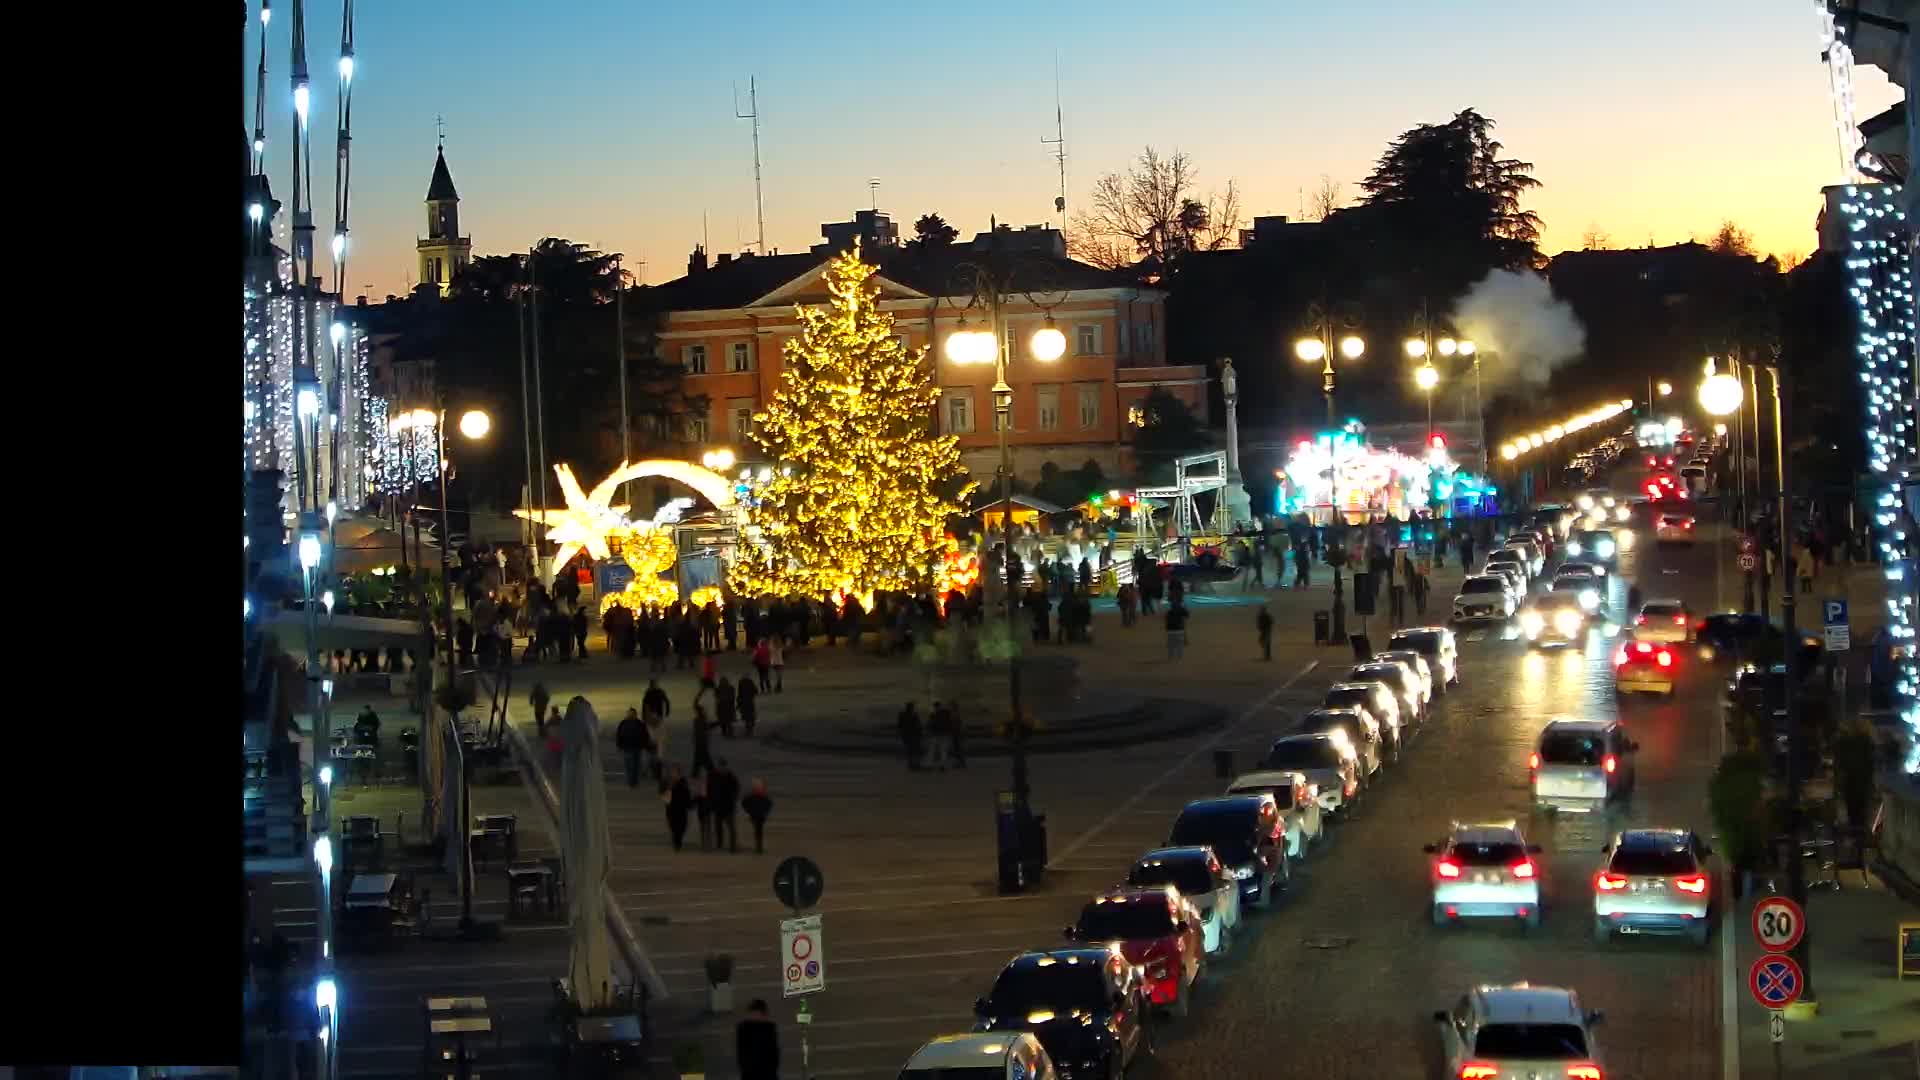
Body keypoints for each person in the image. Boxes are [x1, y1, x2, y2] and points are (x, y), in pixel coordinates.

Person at [736, 999, 781, 1080]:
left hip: (756, 1072)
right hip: (763, 1072)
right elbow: (774, 1053)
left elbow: (774, 1053)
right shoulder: (768, 1028)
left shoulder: (744, 1028)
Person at [708, 759, 741, 852]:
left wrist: (733, 798)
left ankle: (733, 847)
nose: (721, 768)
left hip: (728, 806)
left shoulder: (730, 776)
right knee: (718, 826)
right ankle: (719, 844)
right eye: (720, 766)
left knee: (731, 827)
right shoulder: (713, 776)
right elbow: (709, 790)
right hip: (717, 806)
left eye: (723, 766)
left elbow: (736, 788)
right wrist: (710, 803)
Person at [616, 707, 649, 788]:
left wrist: (644, 745)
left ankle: (633, 782)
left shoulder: (639, 724)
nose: (631, 715)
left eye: (632, 713)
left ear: (635, 714)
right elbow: (619, 735)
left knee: (635, 766)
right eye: (630, 713)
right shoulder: (624, 723)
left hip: (636, 748)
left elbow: (645, 736)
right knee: (630, 766)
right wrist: (619, 745)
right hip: (628, 748)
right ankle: (632, 783)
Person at [663, 767, 692, 851]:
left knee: (682, 827)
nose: (676, 775)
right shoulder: (670, 783)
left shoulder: (684, 783)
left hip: (682, 810)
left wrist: (689, 805)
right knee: (674, 828)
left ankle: (677, 841)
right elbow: (666, 797)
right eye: (674, 773)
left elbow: (687, 794)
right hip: (672, 810)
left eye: (677, 773)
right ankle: (677, 844)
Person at [742, 778, 773, 854]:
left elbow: (769, 804)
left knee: (758, 830)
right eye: (756, 786)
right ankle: (758, 847)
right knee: (758, 830)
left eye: (758, 786)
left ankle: (759, 847)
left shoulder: (763, 796)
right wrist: (749, 811)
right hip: (754, 815)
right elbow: (744, 803)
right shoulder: (752, 796)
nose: (757, 788)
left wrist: (765, 812)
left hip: (760, 815)